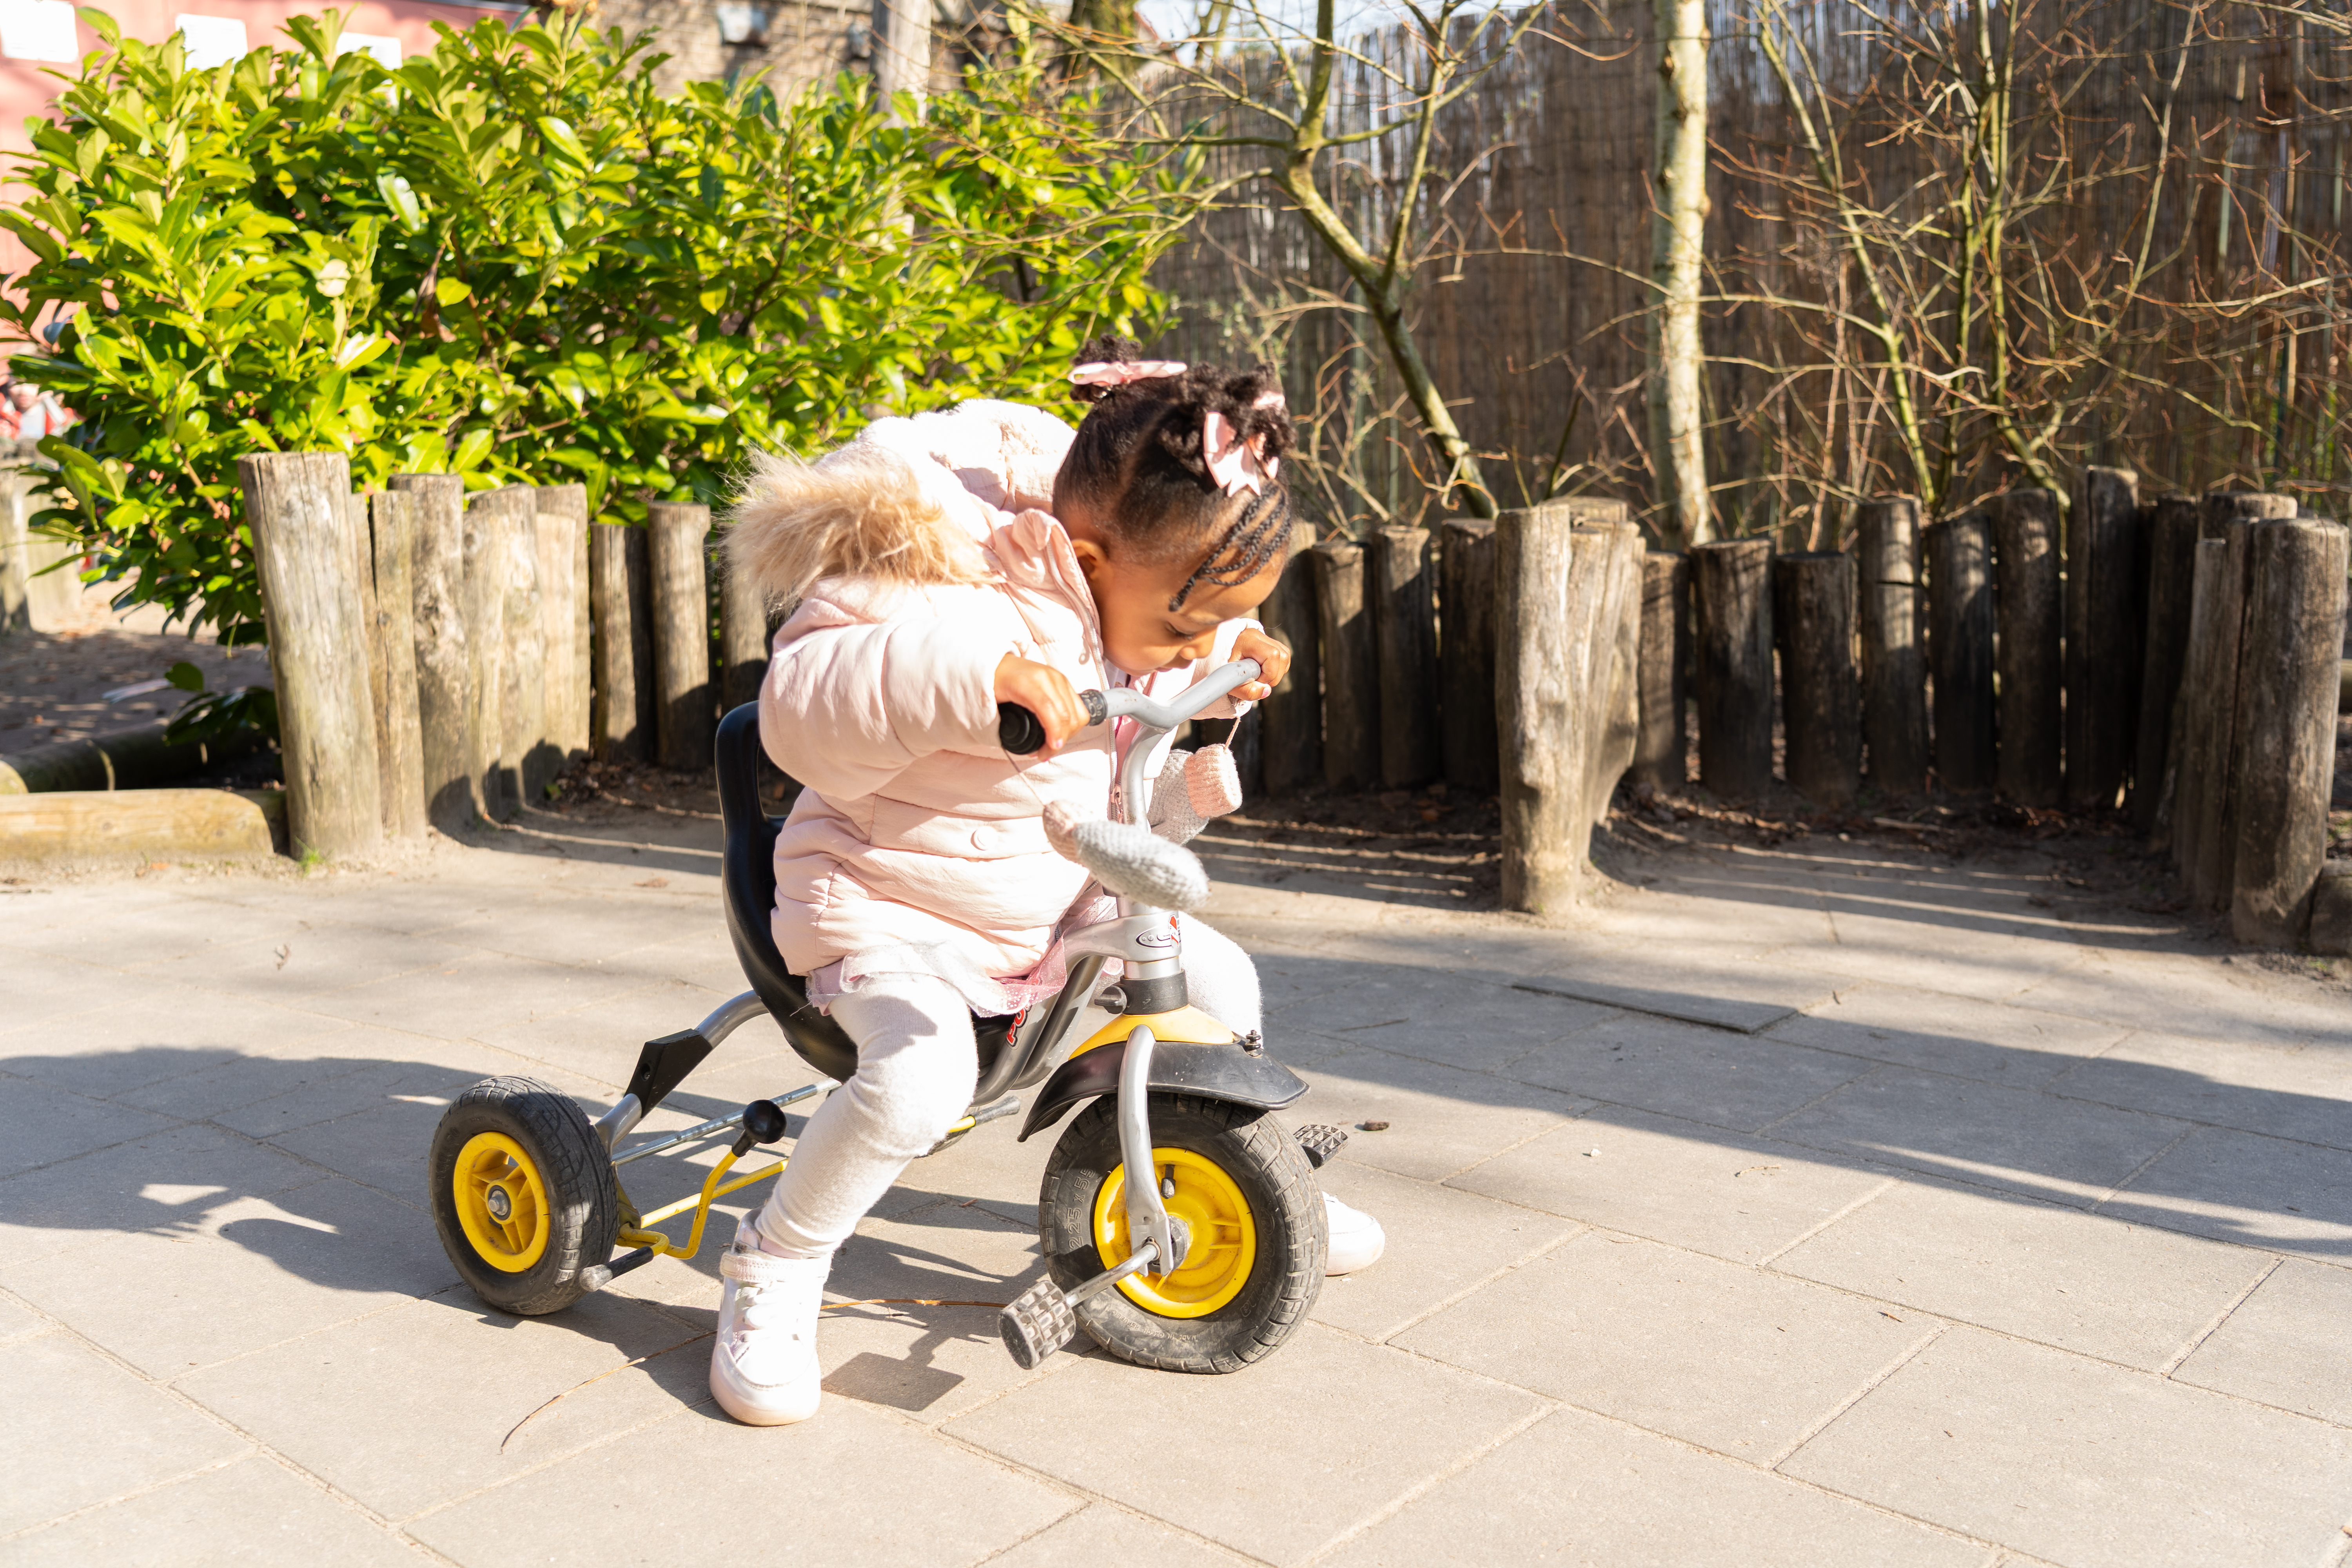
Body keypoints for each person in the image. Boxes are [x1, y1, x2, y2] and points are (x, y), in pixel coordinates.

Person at [707, 339, 1384, 1426]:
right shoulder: (944, 590)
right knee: (920, 1086)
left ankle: (1227, 1160)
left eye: (1228, 615)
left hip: (1048, 900)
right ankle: (776, 1262)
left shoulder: (1138, 595)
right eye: (1188, 624)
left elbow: (1158, 663)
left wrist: (1232, 666)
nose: (1197, 642)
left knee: (1220, 978)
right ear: (1087, 560)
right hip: (889, 910)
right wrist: (974, 687)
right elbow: (802, 703)